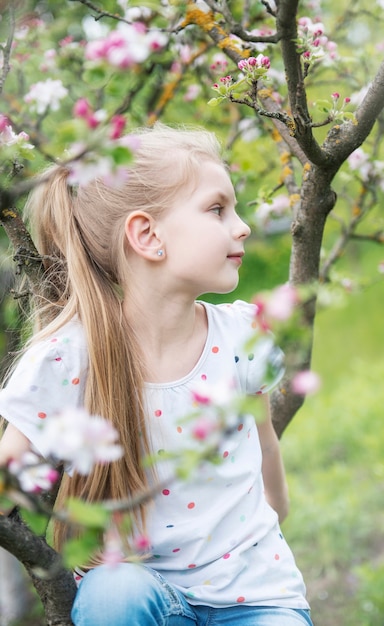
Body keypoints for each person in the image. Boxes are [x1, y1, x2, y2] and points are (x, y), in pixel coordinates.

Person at [0, 124, 313, 626]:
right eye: (217, 209)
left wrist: (272, 519)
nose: (242, 226)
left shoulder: (242, 337)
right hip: (142, 591)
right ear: (148, 235)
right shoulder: (72, 358)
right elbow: (9, 469)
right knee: (111, 593)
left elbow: (265, 443)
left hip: (254, 597)